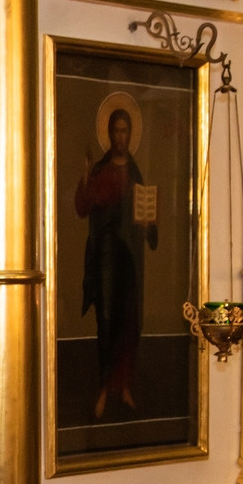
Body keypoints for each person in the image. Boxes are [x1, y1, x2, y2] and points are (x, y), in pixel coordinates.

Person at [75, 101, 156, 418]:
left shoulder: (136, 173)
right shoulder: (101, 170)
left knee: (129, 322)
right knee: (107, 321)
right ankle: (103, 390)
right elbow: (83, 208)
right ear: (109, 134)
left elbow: (145, 216)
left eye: (126, 130)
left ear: (130, 133)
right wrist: (84, 178)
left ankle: (123, 387)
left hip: (131, 258)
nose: (121, 136)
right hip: (108, 255)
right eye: (117, 130)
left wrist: (150, 222)